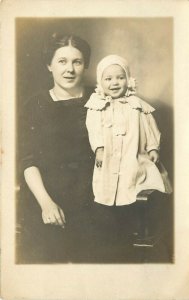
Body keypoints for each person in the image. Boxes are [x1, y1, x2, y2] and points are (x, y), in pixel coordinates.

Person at [85, 55, 172, 259]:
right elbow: (93, 129)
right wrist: (99, 148)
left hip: (133, 155)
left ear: (128, 79)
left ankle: (137, 225)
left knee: (135, 182)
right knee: (108, 189)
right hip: (108, 157)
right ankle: (114, 232)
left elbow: (150, 129)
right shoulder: (96, 106)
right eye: (108, 79)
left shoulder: (137, 105)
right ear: (101, 82)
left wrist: (153, 148)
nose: (114, 83)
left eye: (119, 77)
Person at [17, 33, 94, 263]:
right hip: (47, 201)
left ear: (86, 65)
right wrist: (46, 204)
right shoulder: (35, 105)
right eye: (62, 61)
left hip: (94, 203)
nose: (69, 69)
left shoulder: (100, 98)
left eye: (77, 62)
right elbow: (27, 161)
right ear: (49, 65)